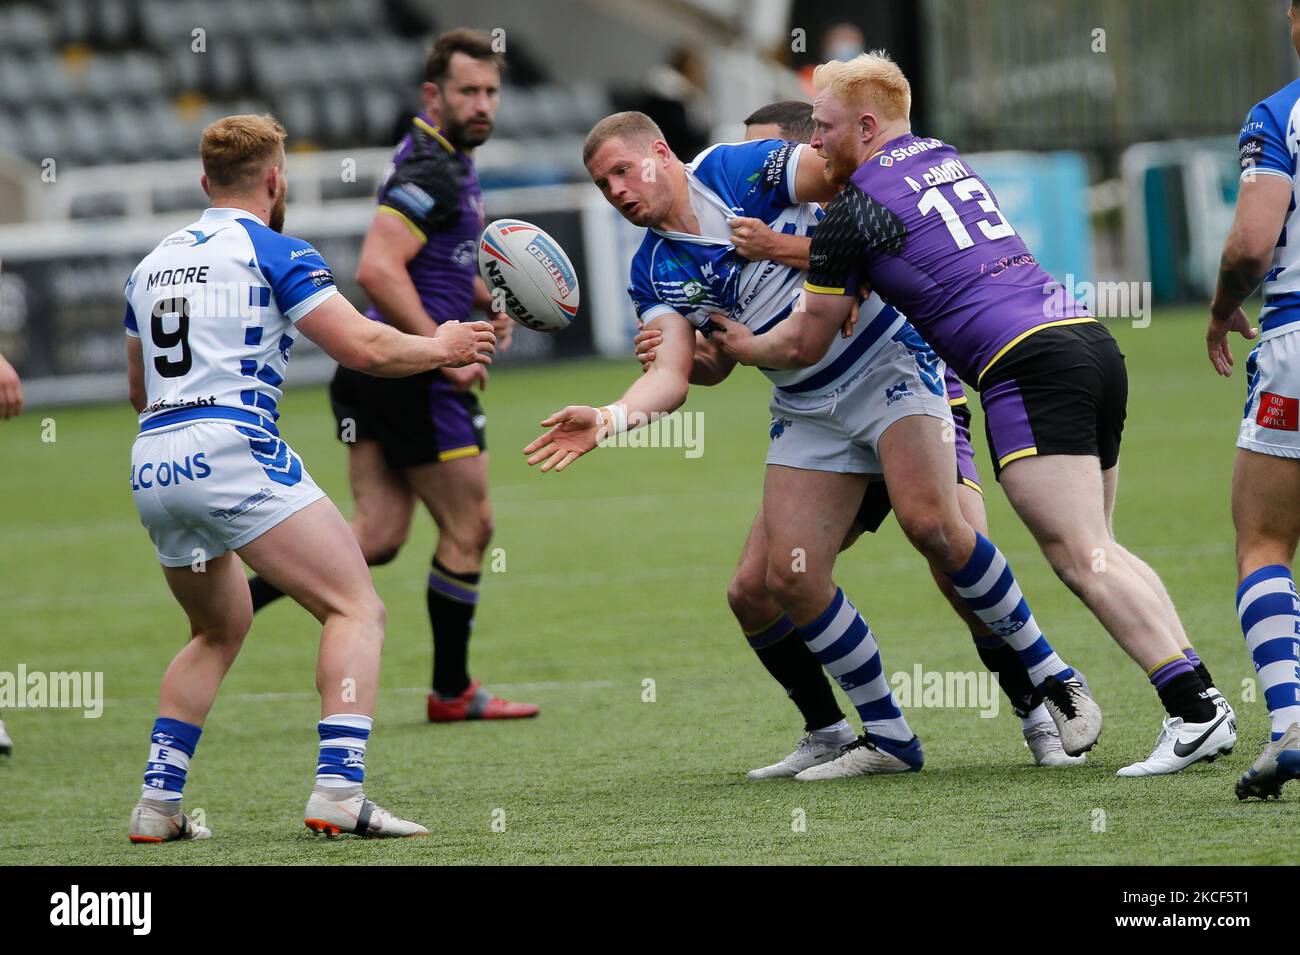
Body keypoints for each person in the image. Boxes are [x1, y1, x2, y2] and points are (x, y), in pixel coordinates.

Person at [524, 110, 1099, 781]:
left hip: (888, 367)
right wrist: (608, 416)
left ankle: (1052, 677)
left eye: (622, 170)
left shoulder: (736, 170)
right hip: (806, 405)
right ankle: (885, 736)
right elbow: (675, 376)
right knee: (784, 577)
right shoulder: (652, 270)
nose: (616, 190)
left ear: (659, 152)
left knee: (937, 531)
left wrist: (838, 268)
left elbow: (844, 176)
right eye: (601, 184)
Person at [712, 51, 1233, 776]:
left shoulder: (851, 212)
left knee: (1080, 557)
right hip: (1085, 343)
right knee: (1100, 548)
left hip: (1021, 364)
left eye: (823, 129)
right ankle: (1200, 701)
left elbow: (807, 336)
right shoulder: (939, 155)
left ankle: (1192, 709)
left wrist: (739, 344)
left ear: (864, 125)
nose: (816, 146)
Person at [123, 113, 495, 842]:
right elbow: (361, 345)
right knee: (357, 608)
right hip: (234, 445)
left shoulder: (148, 265)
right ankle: (339, 791)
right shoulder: (275, 250)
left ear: (206, 183)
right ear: (274, 179)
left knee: (215, 628)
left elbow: (138, 390)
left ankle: (156, 805)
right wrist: (442, 343)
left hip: (154, 460)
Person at [244, 30, 538, 723]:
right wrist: (448, 349)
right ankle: (452, 690)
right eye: (468, 91)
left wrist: (486, 296)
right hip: (415, 376)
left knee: (376, 534)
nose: (482, 103)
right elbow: (378, 267)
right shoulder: (428, 170)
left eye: (491, 91)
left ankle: (239, 592)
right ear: (432, 95)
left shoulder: (449, 161)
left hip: (374, 375)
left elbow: (433, 264)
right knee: (472, 528)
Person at [1206, 0, 1300, 799]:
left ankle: (1289, 723)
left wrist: (1218, 304)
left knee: (1264, 541)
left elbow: (1250, 242)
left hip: (1295, 350)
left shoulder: (1280, 115)